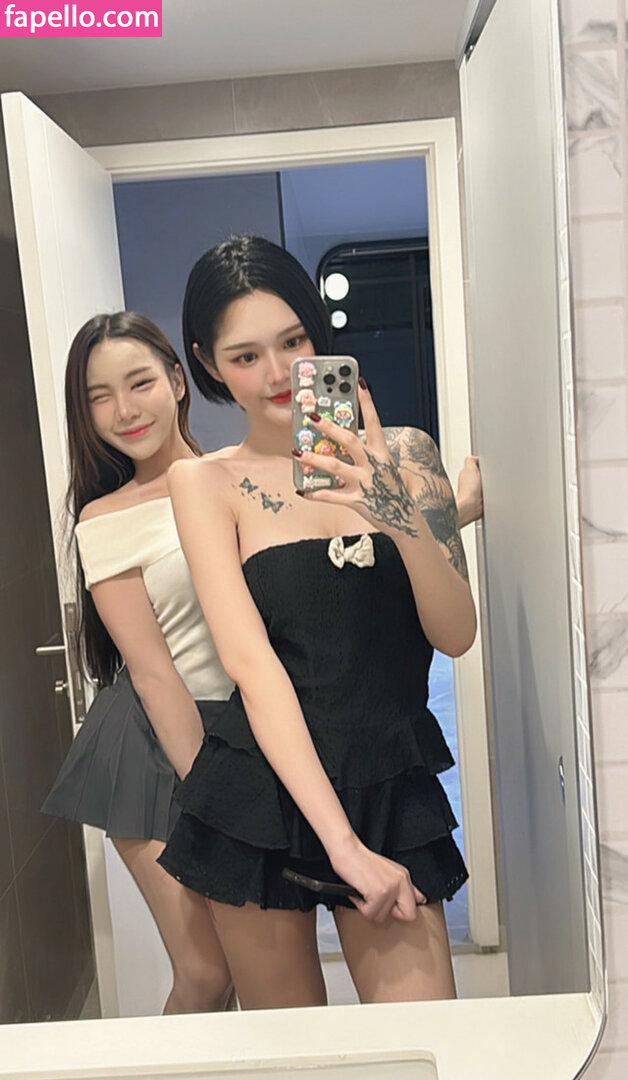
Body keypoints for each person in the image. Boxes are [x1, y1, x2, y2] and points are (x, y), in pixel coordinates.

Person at [157, 236, 477, 1011]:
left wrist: (394, 509)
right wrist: (343, 847)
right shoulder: (204, 483)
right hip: (263, 791)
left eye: (294, 341)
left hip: (389, 778)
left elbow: (456, 633)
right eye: (244, 356)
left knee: (424, 1038)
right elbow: (251, 665)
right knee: (295, 1051)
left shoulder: (405, 454)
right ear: (206, 364)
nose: (276, 373)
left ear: (319, 336)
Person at [42, 312, 235, 1015]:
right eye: (99, 396)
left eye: (139, 383)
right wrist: (213, 792)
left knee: (252, 965)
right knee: (207, 974)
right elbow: (152, 673)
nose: (124, 410)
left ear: (178, 381)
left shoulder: (238, 476)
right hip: (153, 744)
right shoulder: (104, 519)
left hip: (244, 731)